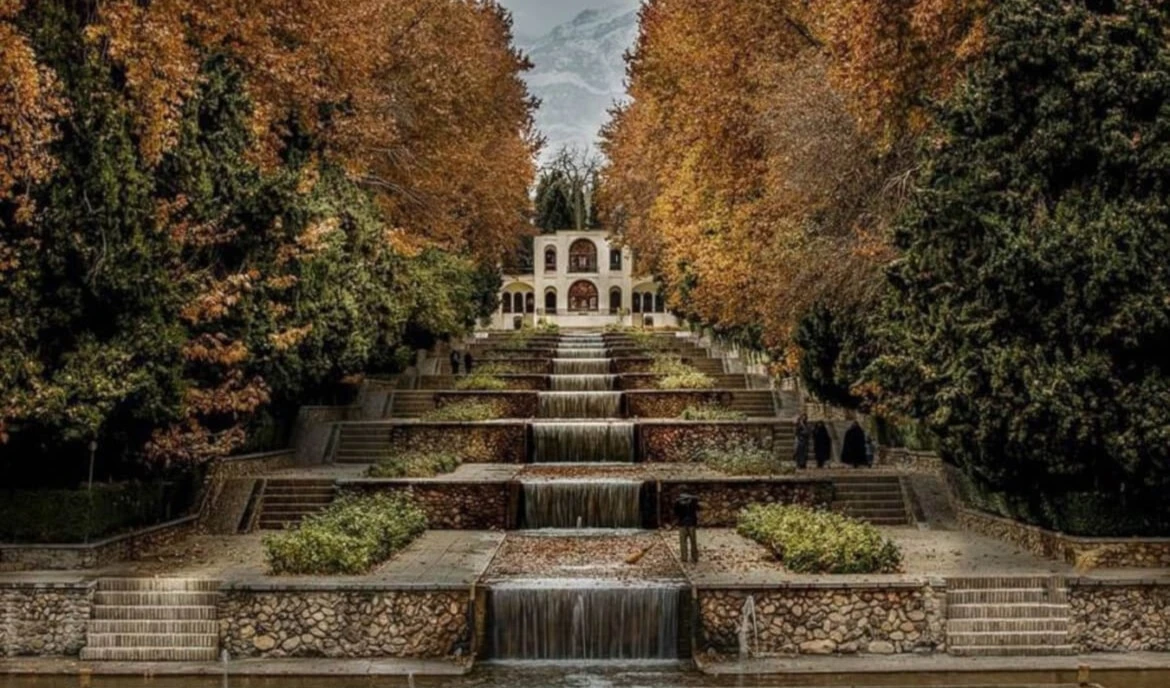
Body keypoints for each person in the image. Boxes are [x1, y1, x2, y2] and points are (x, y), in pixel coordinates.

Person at [674, 493, 700, 563]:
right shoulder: (679, 504)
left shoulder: (692, 503)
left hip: (689, 524)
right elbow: (676, 512)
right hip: (684, 524)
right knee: (685, 542)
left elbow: (698, 508)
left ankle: (692, 557)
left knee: (691, 541)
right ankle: (685, 558)